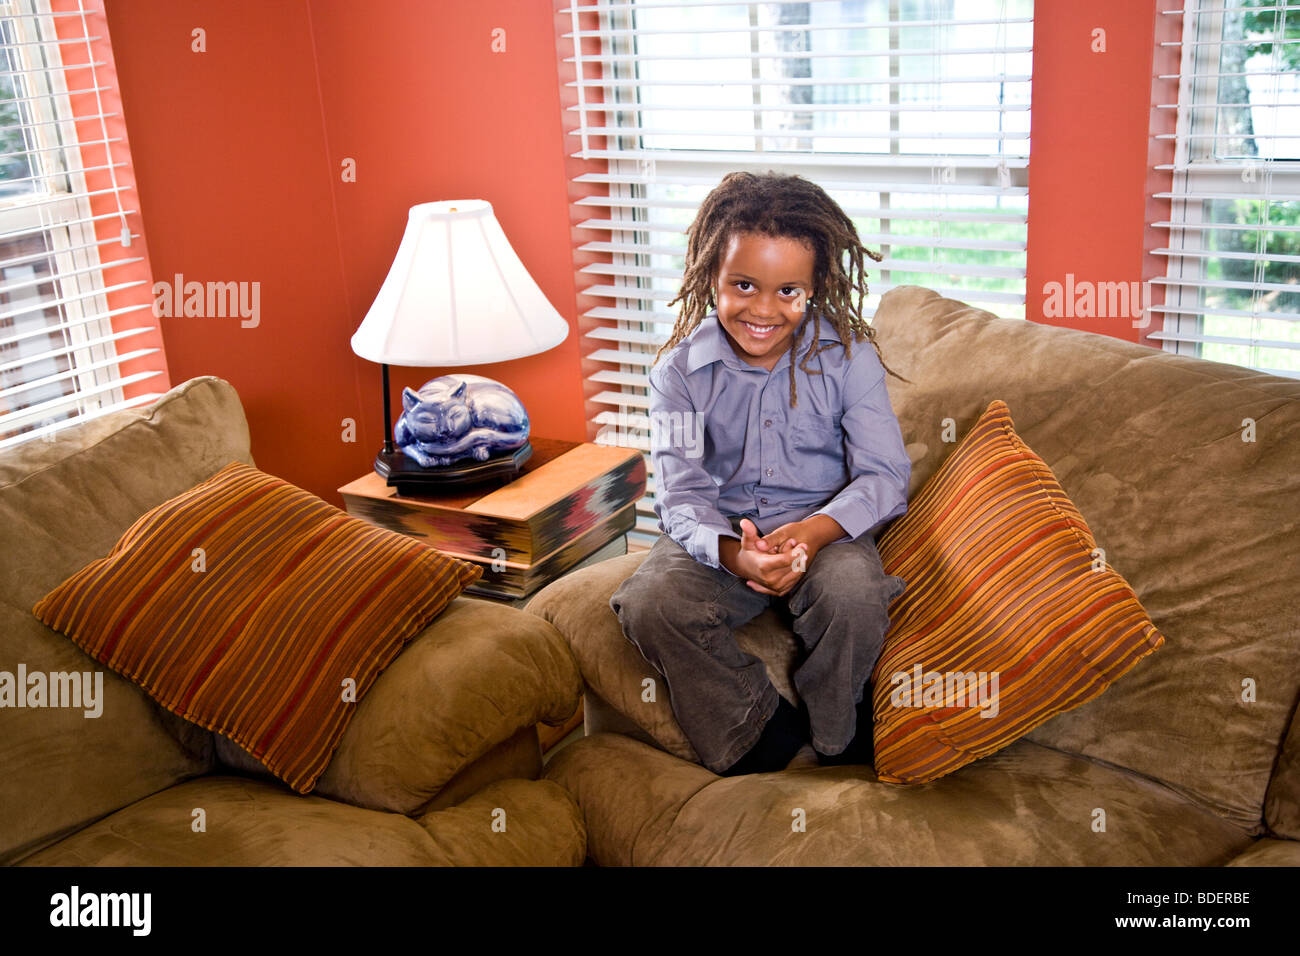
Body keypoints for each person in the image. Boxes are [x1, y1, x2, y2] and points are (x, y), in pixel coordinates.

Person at [609, 170, 911, 776]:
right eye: (743, 285)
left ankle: (838, 727)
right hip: (723, 532)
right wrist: (732, 553)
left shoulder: (849, 358)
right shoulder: (678, 372)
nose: (764, 310)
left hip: (824, 531)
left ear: (815, 286)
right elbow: (680, 491)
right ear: (709, 278)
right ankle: (756, 726)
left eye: (788, 291)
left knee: (853, 595)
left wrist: (817, 531)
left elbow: (884, 476)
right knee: (648, 603)